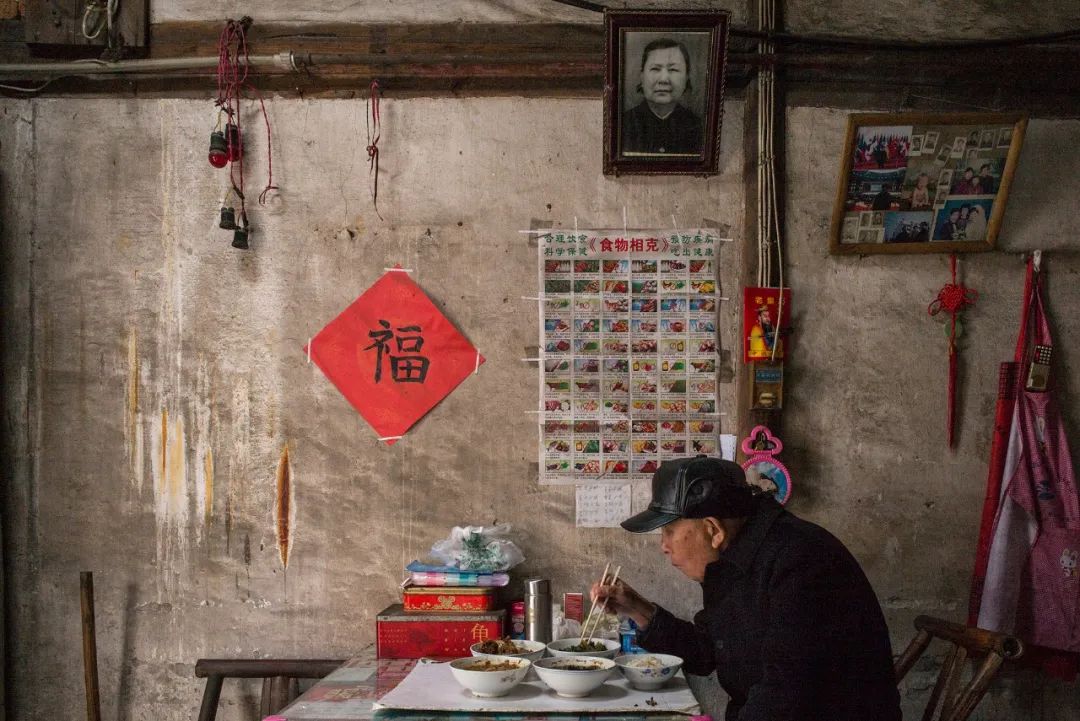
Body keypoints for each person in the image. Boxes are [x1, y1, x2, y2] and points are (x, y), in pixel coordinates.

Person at [593, 456, 901, 721]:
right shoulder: (737, 559)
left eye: (669, 531)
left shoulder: (801, 562)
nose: (664, 546)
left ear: (712, 530)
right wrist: (635, 608)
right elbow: (708, 651)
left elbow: (784, 697)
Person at [621, 38, 702, 155]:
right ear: (642, 76)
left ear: (687, 78)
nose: (663, 79)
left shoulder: (699, 128)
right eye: (655, 69)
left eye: (673, 69)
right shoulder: (623, 125)